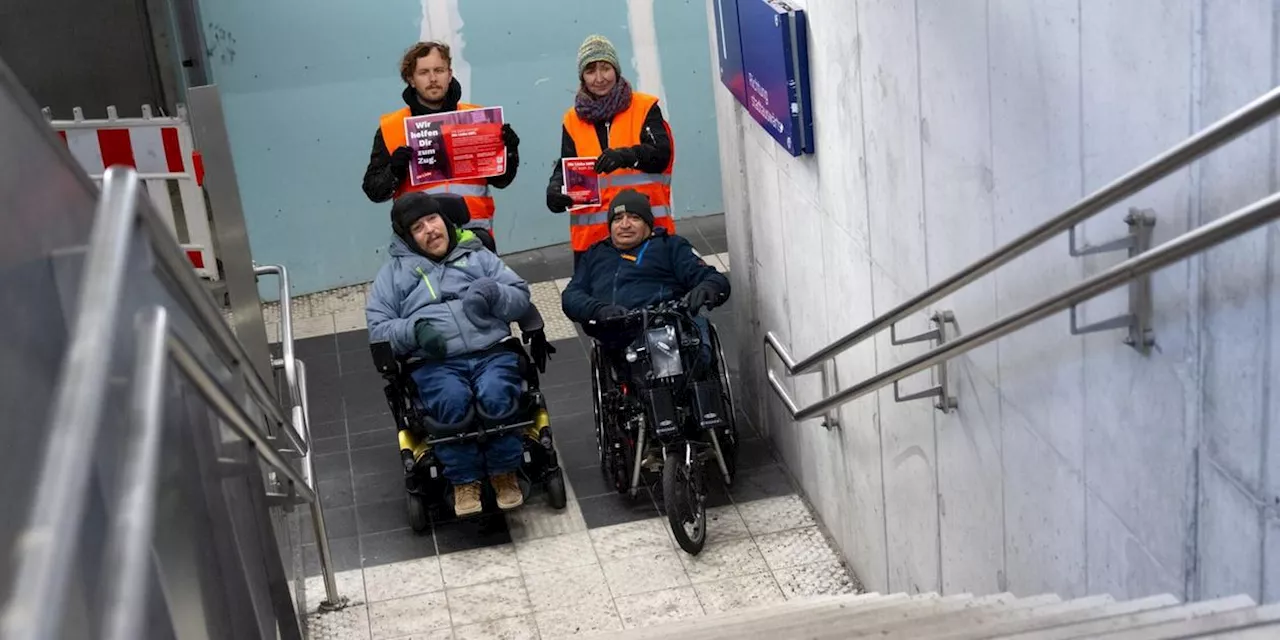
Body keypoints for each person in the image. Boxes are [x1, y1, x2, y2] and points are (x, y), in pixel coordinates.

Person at [365, 193, 530, 516]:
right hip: (434, 361)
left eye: (433, 220)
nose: (430, 230)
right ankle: (463, 481)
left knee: (497, 393)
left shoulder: (478, 255)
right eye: (418, 227)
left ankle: (503, 473)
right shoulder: (392, 276)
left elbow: (520, 295)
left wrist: (494, 292)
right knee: (451, 400)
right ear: (407, 237)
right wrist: (414, 331)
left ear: (445, 220)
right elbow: (379, 329)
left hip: (491, 350)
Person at [363, 41, 519, 250]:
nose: (433, 78)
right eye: (424, 72)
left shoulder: (477, 119)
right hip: (422, 242)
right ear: (411, 79)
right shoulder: (392, 128)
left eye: (439, 70)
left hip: (474, 235)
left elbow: (501, 181)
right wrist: (394, 170)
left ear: (450, 73)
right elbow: (374, 191)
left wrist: (509, 153)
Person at [545, 35, 676, 269]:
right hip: (593, 241)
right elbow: (568, 163)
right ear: (582, 77)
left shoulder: (644, 107)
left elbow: (661, 154)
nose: (599, 78)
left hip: (645, 233)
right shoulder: (572, 119)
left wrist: (625, 156)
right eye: (590, 71)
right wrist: (555, 188)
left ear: (616, 69)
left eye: (605, 68)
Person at [561, 189, 728, 369]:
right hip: (616, 332)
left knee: (689, 354)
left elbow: (712, 278)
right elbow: (571, 295)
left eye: (634, 217)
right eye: (617, 219)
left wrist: (707, 288)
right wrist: (599, 310)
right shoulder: (595, 254)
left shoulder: (669, 246)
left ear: (648, 224)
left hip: (665, 326)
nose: (625, 225)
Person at [435, 193, 557, 374]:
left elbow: (514, 291)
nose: (431, 231)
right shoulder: (401, 271)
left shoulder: (479, 253)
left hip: (490, 345)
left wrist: (532, 323)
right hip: (436, 356)